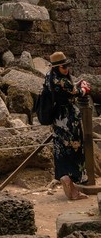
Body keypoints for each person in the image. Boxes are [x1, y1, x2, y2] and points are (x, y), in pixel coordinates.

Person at [46, 51, 91, 200]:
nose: (67, 69)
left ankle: (68, 183)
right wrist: (83, 88)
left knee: (60, 150)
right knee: (75, 150)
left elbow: (67, 90)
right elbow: (76, 92)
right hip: (69, 119)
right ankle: (72, 186)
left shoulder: (49, 77)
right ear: (57, 67)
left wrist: (75, 86)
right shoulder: (62, 81)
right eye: (64, 67)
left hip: (57, 120)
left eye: (67, 66)